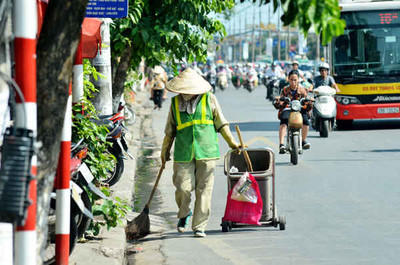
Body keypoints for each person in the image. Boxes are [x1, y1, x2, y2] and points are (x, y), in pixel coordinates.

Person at [161, 68, 242, 238]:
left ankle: (199, 226)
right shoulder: (175, 103)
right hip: (183, 152)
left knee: (204, 190)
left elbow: (221, 123)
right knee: (182, 188)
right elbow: (170, 130)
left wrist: (232, 143)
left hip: (207, 152)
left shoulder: (209, 99)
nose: (186, 94)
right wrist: (164, 151)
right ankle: (184, 214)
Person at [274, 70, 312, 153]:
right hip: (288, 109)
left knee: (306, 122)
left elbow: (307, 100)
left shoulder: (302, 90)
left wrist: (309, 101)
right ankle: (281, 144)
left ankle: (303, 141)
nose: (293, 82)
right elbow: (281, 100)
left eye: (295, 80)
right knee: (283, 122)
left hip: (300, 109)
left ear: (298, 80)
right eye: (291, 79)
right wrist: (279, 101)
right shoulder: (285, 90)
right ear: (288, 79)